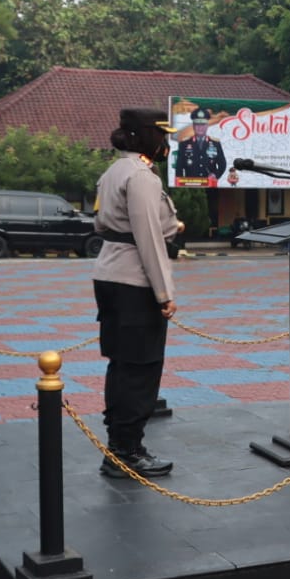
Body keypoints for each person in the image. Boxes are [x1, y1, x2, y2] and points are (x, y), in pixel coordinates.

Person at [93, 108, 182, 479]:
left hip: (109, 274)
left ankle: (120, 445)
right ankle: (126, 451)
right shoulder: (141, 177)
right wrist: (164, 293)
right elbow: (148, 238)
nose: (166, 142)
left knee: (122, 365)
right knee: (140, 369)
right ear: (145, 135)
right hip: (134, 280)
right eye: (161, 135)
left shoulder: (115, 170)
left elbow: (102, 222)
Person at [172, 106, 227, 184]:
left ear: (207, 126)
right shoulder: (184, 144)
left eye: (203, 124)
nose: (200, 127)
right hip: (190, 185)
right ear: (193, 126)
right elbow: (179, 167)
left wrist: (215, 175)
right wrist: (180, 184)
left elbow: (222, 164)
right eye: (197, 124)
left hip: (209, 185)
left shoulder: (215, 143)